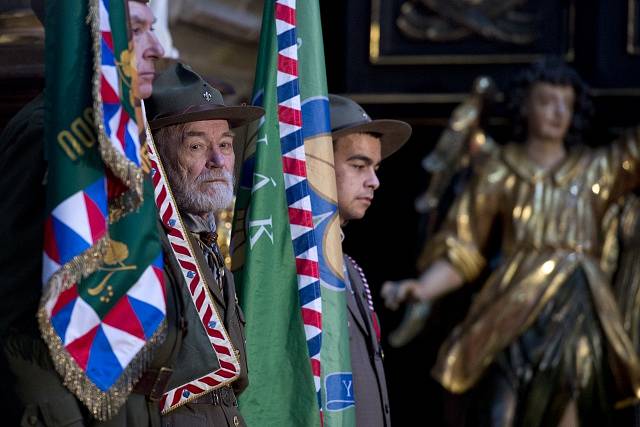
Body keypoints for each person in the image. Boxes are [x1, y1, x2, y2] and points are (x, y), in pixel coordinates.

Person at [382, 58, 640, 426]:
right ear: (525, 105)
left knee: (573, 383)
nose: (558, 112)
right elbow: (464, 246)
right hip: (511, 303)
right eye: (547, 101)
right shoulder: (500, 169)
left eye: (566, 104)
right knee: (499, 402)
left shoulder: (596, 168)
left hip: (579, 300)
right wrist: (422, 288)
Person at [0, 1, 166, 425]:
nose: (156, 48)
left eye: (151, 29)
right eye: (135, 31)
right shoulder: (44, 133)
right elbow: (14, 308)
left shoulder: (127, 136)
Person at [145, 62, 263, 426]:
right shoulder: (149, 244)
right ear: (159, 158)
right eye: (197, 145)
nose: (218, 161)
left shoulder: (208, 238)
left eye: (225, 145)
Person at [329, 94, 412, 427]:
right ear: (316, 163)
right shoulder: (295, 267)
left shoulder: (349, 268)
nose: (374, 181)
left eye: (374, 169)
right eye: (359, 165)